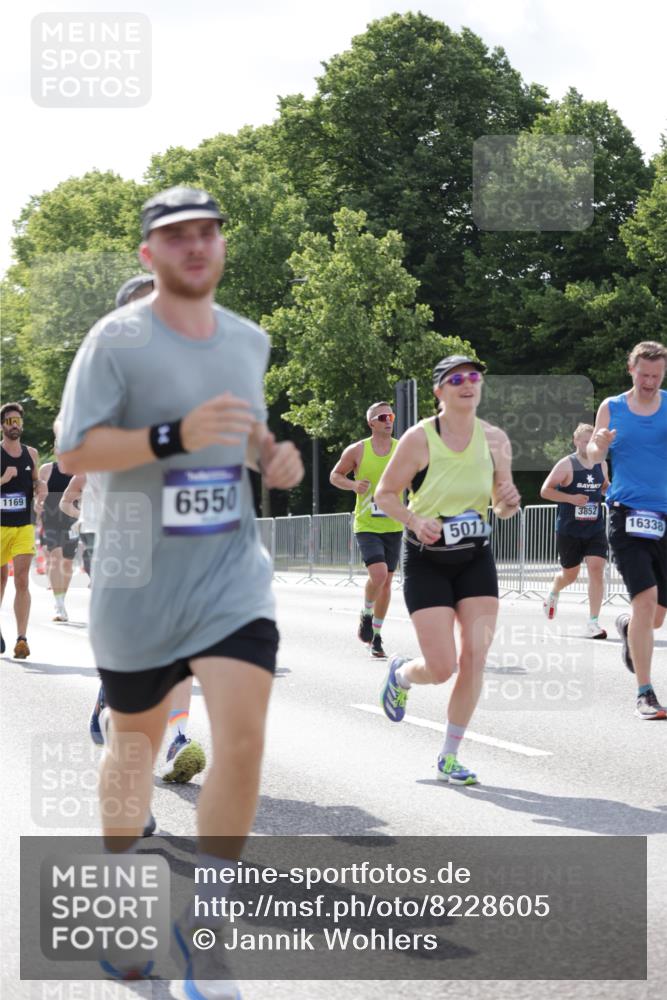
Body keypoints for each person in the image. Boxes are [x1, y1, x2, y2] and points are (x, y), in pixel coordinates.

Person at [57, 186, 303, 993]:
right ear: (148, 254)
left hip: (229, 574)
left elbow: (244, 431)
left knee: (240, 736)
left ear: (222, 246)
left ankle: (209, 925)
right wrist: (171, 437)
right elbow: (74, 452)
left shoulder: (247, 340)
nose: (195, 246)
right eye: (175, 236)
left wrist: (273, 455)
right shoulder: (114, 340)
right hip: (135, 574)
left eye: (208, 233)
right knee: (133, 742)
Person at [374, 355, 521, 785]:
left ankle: (449, 756)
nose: (467, 383)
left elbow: (503, 507)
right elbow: (384, 495)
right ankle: (401, 673)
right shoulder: (420, 439)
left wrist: (509, 501)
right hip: (427, 561)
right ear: (439, 391)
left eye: (474, 376)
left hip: (475, 557)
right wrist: (415, 520)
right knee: (442, 668)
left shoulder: (495, 440)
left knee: (475, 658)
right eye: (456, 378)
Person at [588, 340, 667, 720]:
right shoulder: (613, 407)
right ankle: (645, 693)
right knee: (645, 598)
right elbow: (592, 456)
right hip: (626, 514)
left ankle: (627, 626)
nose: (650, 381)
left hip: (665, 518)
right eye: (644, 374)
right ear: (631, 370)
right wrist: (599, 444)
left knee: (654, 616)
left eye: (657, 375)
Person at [330, 401, 404, 658]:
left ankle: (377, 636)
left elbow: (417, 476)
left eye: (391, 416)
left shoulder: (401, 448)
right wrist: (352, 485)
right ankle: (366, 610)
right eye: (382, 417)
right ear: (371, 422)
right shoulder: (358, 450)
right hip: (367, 524)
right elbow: (335, 475)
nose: (388, 420)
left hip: (394, 524)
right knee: (379, 575)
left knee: (386, 584)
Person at [540, 423, 609, 638]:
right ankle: (554, 590)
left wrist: (614, 492)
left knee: (596, 568)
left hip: (595, 527)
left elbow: (604, 486)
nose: (588, 444)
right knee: (570, 575)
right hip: (570, 529)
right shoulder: (566, 464)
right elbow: (545, 491)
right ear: (576, 441)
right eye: (585, 441)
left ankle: (593, 622)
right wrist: (571, 498)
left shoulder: (601, 464)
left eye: (592, 441)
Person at [0, 402, 47, 657]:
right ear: (1, 426)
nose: (14, 425)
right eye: (9, 421)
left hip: (23, 525)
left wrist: (41, 487)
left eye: (17, 420)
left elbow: (35, 480)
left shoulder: (31, 453)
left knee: (21, 578)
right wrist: (3, 480)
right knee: (1, 580)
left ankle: (22, 639)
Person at [37, 452, 77, 622]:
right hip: (51, 520)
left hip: (72, 521)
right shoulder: (47, 469)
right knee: (55, 557)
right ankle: (58, 604)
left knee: (67, 563)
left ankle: (62, 599)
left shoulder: (79, 470)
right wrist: (37, 505)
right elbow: (37, 493)